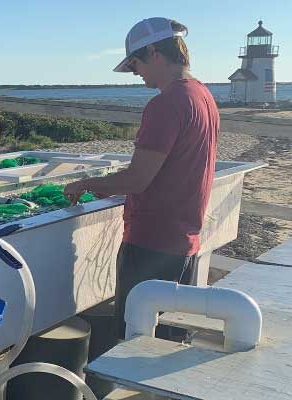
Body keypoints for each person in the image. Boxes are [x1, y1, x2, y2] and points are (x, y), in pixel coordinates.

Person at [63, 18, 218, 342]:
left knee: (136, 340)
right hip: (184, 242)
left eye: (135, 63)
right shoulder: (203, 96)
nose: (135, 73)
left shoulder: (165, 104)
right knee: (168, 340)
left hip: (152, 245)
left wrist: (85, 184)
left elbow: (137, 179)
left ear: (154, 53)